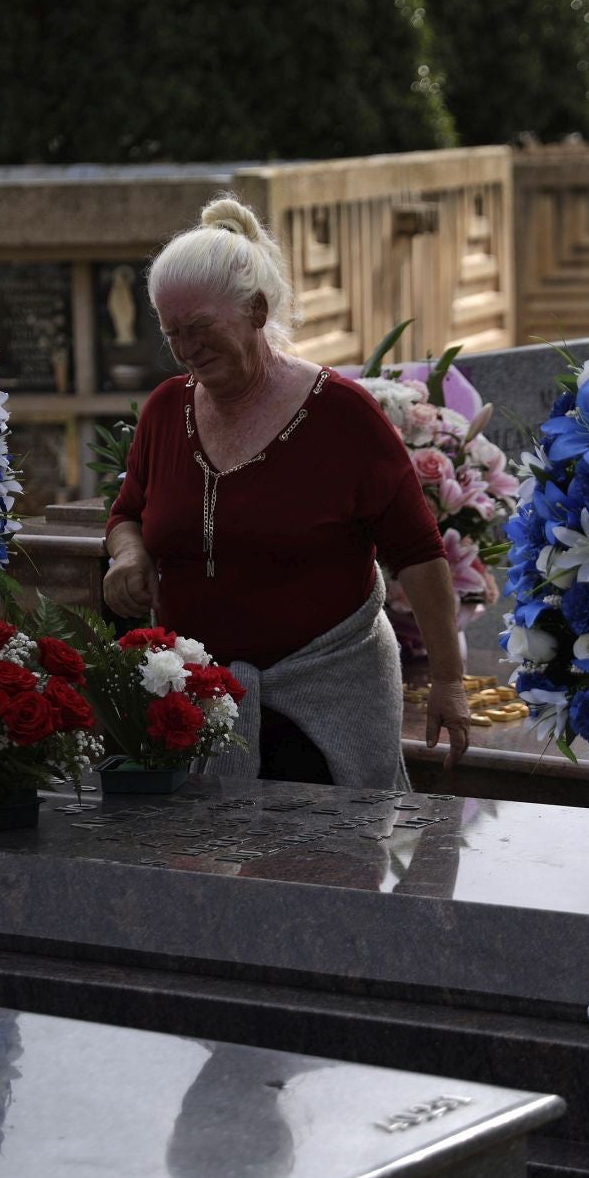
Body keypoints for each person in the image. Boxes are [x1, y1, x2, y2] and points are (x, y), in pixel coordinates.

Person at [105, 196, 472, 788]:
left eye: (200, 329)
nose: (187, 350)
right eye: (173, 335)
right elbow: (128, 512)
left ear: (255, 308)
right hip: (202, 702)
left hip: (329, 699)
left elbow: (420, 554)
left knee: (332, 869)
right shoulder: (166, 410)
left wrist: (450, 683)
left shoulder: (343, 416)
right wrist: (130, 554)